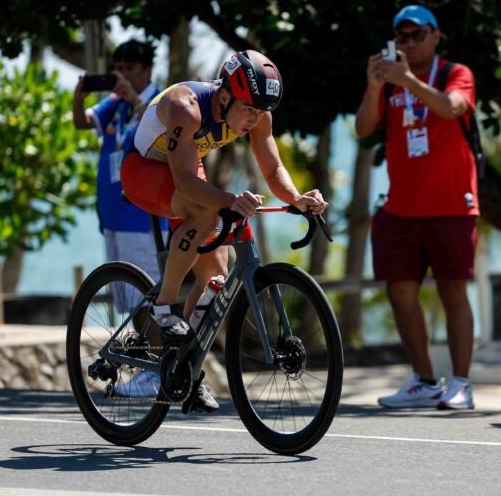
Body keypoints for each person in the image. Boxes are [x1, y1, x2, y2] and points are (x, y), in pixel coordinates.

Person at [118, 50, 329, 409]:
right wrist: (230, 199)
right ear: (226, 94)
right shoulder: (185, 107)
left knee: (216, 279)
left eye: (261, 111)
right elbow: (185, 184)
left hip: (183, 167)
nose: (255, 119)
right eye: (249, 109)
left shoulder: (257, 115)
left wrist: (297, 198)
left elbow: (272, 166)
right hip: (143, 169)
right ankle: (165, 307)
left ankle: (180, 368)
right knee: (203, 213)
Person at [355, 4, 479, 410]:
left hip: (452, 205)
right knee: (399, 292)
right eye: (402, 36)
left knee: (453, 292)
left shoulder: (454, 73)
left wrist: (407, 79)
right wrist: (375, 87)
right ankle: (425, 382)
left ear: (436, 35)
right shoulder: (389, 83)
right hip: (402, 208)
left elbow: (451, 107)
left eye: (417, 34)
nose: (410, 43)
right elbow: (363, 129)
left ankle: (461, 384)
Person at [72, 39, 163, 296]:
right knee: (130, 304)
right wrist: (78, 98)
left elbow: (158, 126)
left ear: (147, 70)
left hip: (142, 220)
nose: (122, 75)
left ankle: (160, 339)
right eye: (118, 68)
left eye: (129, 68)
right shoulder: (116, 102)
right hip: (113, 217)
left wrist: (134, 98)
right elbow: (82, 122)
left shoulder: (161, 101)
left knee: (150, 301)